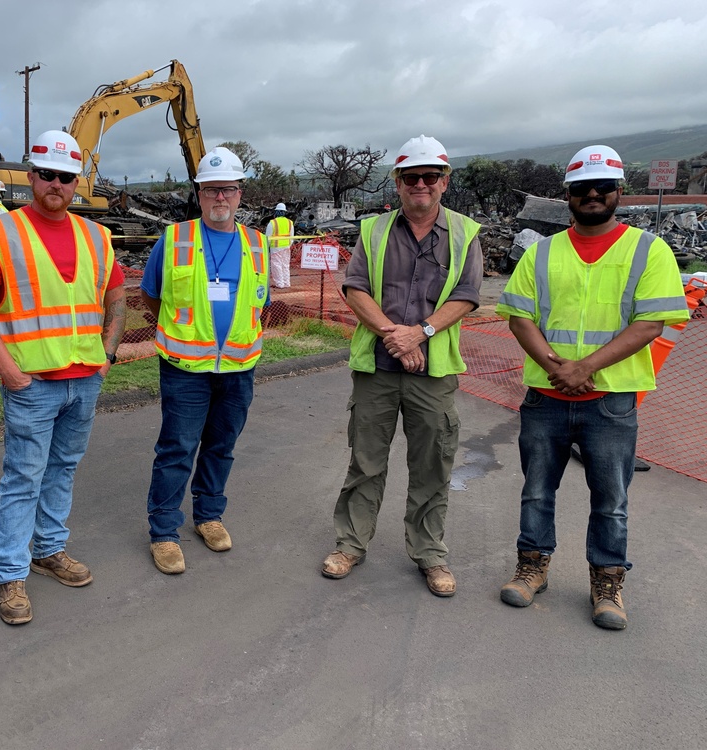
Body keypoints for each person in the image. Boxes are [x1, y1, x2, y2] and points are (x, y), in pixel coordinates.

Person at [496, 145, 689, 630]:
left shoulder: (649, 250)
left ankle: (607, 582)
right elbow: (519, 317)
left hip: (612, 403)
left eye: (603, 186)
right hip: (546, 398)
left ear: (620, 192)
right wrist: (559, 368)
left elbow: (650, 324)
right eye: (583, 188)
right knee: (537, 491)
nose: (594, 194)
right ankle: (532, 566)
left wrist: (585, 369)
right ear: (568, 195)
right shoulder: (542, 252)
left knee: (611, 499)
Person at [0, 130, 126, 625]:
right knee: (23, 477)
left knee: (63, 469)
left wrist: (108, 352)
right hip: (32, 383)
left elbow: (115, 297)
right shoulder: (1, 232)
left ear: (77, 182)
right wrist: (9, 371)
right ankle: (11, 574)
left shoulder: (96, 235)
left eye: (66, 176)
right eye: (47, 174)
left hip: (85, 379)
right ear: (30, 177)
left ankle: (49, 550)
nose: (56, 183)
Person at [320, 135, 483, 597]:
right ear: (398, 182)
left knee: (433, 464)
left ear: (444, 182)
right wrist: (396, 335)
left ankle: (430, 554)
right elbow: (355, 289)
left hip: (433, 372)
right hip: (378, 367)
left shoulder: (466, 234)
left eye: (431, 177)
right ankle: (350, 544)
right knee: (366, 461)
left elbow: (467, 296)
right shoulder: (373, 231)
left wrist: (421, 332)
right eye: (412, 177)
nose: (421, 184)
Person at [141, 146, 269, 574]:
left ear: (239, 193)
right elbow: (150, 296)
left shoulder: (257, 242)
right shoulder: (175, 238)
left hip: (238, 367)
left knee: (222, 446)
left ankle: (209, 516)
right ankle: (164, 532)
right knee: (177, 448)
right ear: (199, 193)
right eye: (211, 189)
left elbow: (260, 300)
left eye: (228, 190)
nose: (220, 198)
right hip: (185, 368)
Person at [265, 202, 294, 288]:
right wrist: (288, 245)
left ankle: (280, 284)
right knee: (285, 265)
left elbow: (268, 237)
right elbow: (291, 236)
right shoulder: (289, 222)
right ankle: (286, 282)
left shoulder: (272, 223)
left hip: (276, 247)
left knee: (276, 265)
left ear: (276, 211)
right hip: (286, 247)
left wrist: (267, 246)